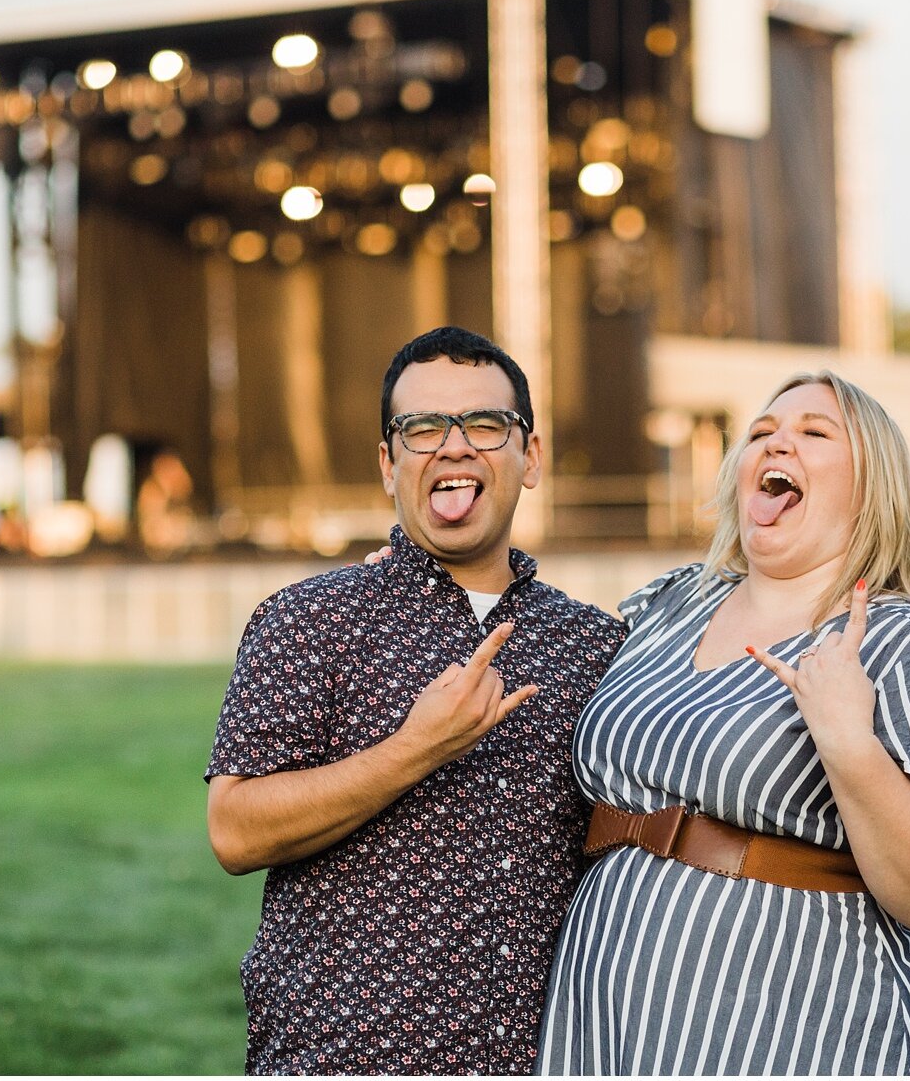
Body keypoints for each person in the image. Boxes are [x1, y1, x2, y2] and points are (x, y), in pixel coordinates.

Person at [536, 371, 910, 1076]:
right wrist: (415, 584)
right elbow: (541, 656)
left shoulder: (909, 649)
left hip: (798, 1031)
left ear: (870, 486)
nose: (776, 442)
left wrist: (848, 741)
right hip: (611, 1021)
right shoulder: (669, 606)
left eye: (814, 433)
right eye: (761, 432)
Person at [206, 327, 626, 1075]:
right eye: (423, 427)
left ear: (530, 457)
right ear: (387, 463)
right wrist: (414, 749)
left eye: (486, 425)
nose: (454, 446)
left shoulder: (594, 645)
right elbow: (235, 831)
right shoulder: (307, 621)